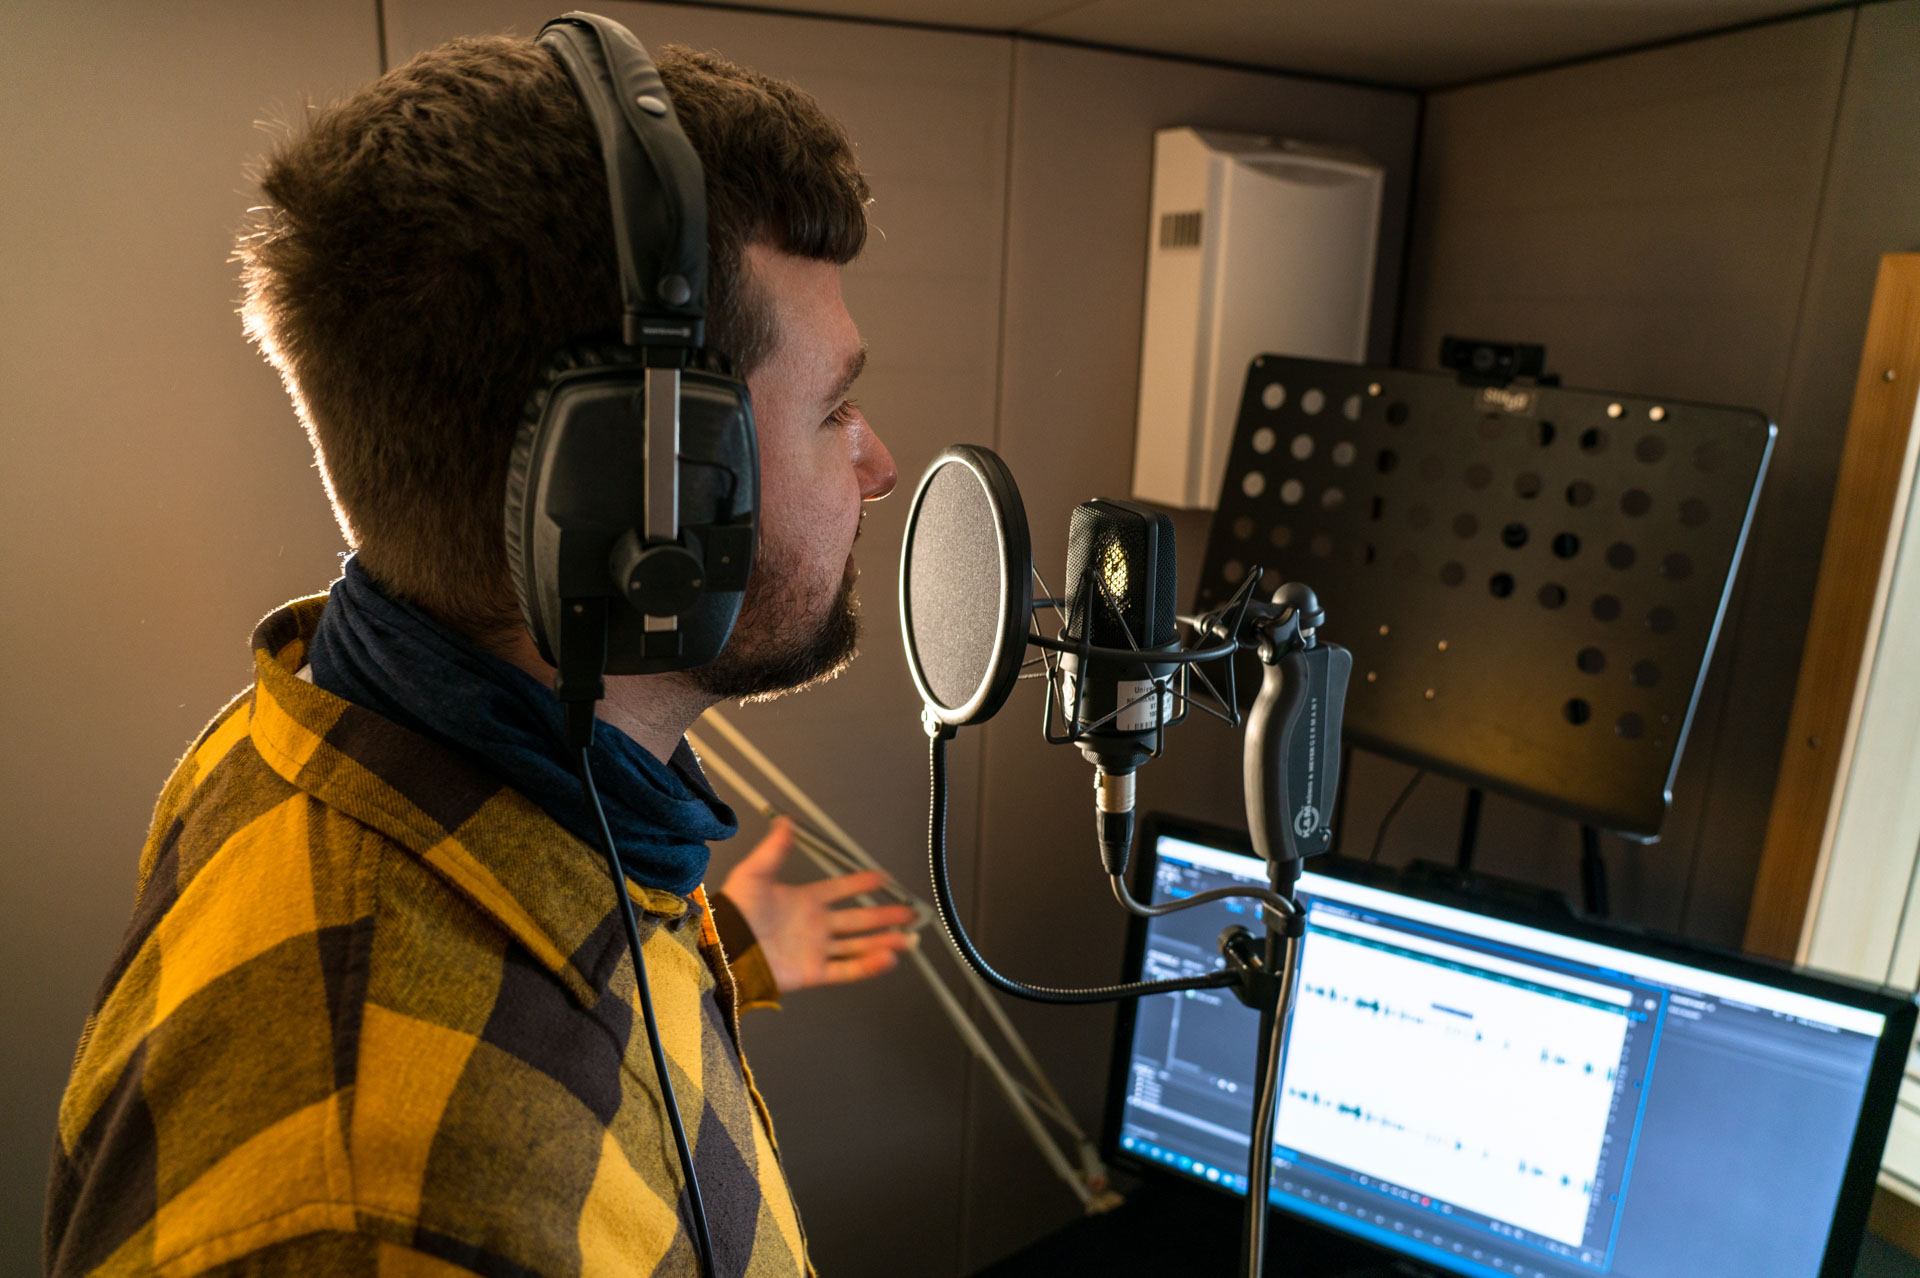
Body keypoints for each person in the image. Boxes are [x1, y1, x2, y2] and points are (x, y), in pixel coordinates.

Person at [46, 27, 911, 1278]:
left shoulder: (315, 745)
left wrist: (724, 942)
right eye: (835, 408)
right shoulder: (387, 1221)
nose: (879, 465)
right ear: (648, 502)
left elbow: (483, 966)